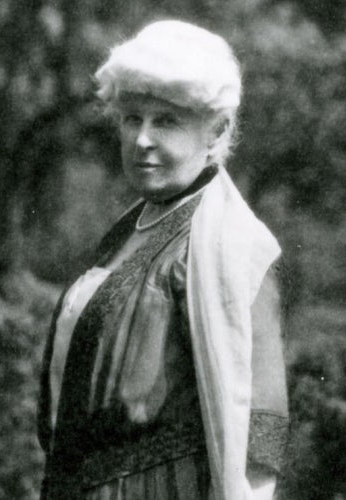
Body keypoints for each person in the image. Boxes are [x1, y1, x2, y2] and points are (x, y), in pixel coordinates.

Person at [37, 20, 288, 500]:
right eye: (133, 118)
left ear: (216, 132)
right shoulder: (135, 227)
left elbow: (259, 424)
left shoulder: (232, 247)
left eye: (166, 121)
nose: (142, 140)